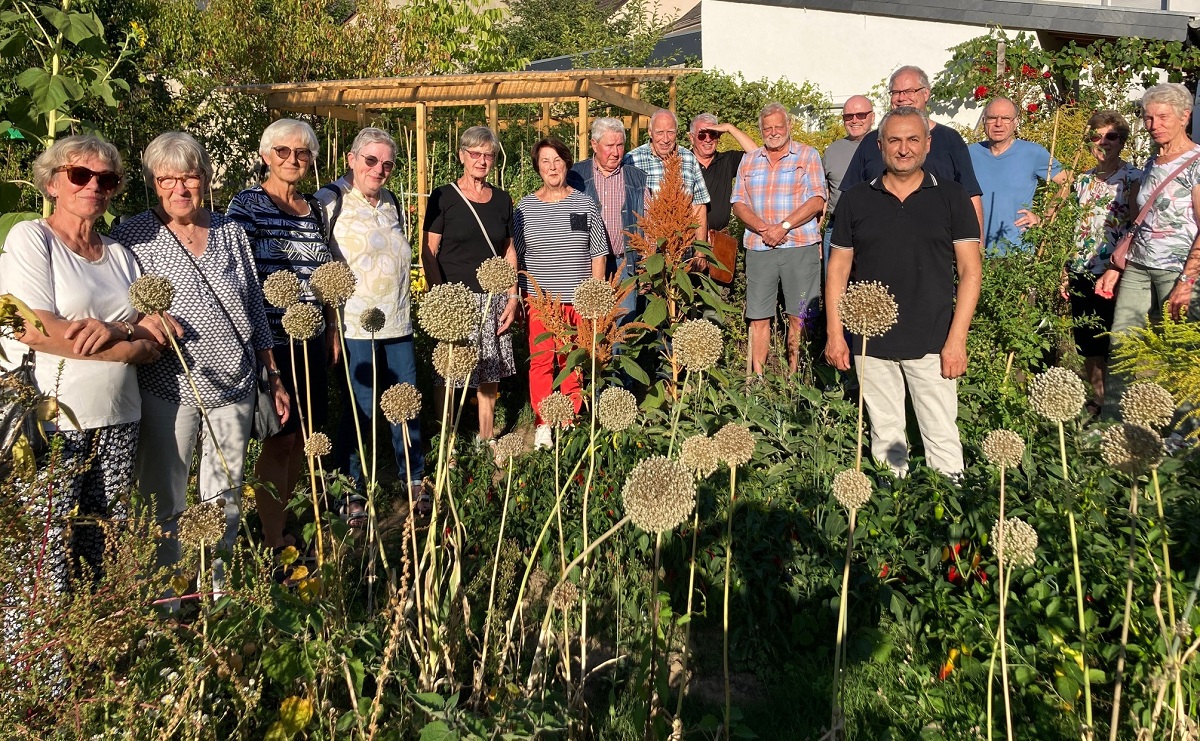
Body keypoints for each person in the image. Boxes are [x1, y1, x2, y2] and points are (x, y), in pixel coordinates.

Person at [0, 135, 165, 636]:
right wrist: (130, 343)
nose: (93, 186)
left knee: (99, 547)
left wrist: (116, 331)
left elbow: (156, 331)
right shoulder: (33, 239)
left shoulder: (119, 254)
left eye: (106, 179)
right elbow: (30, 326)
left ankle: (89, 660)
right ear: (52, 183)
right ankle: (35, 676)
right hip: (49, 419)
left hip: (117, 419)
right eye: (80, 175)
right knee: (40, 555)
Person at [113, 132, 288, 574]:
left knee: (225, 494)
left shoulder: (229, 231)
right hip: (167, 387)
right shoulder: (133, 233)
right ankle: (167, 598)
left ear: (206, 179)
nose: (179, 189)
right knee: (163, 495)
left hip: (235, 384)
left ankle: (218, 592)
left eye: (189, 177)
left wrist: (273, 374)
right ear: (153, 182)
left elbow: (253, 305)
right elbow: (119, 306)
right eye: (166, 179)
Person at [824, 106, 983, 477]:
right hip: (870, 344)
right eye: (894, 140)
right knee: (885, 438)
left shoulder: (952, 197)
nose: (903, 148)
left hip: (933, 342)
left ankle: (950, 525)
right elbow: (837, 271)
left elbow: (971, 271)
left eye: (913, 139)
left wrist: (957, 340)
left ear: (928, 144)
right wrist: (836, 334)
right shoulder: (856, 200)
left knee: (942, 437)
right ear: (879, 146)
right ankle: (893, 515)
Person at [228, 119, 338, 549]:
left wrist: (330, 325)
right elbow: (241, 277)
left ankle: (285, 519)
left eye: (303, 153)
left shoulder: (314, 210)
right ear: (265, 156)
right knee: (281, 437)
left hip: (310, 337)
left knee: (302, 438)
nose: (293, 160)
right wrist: (261, 351)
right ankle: (272, 538)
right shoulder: (247, 206)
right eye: (283, 152)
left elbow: (324, 273)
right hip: (272, 342)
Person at [315, 127, 425, 508]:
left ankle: (414, 477)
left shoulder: (391, 201)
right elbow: (320, 266)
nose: (379, 169)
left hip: (398, 320)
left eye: (387, 164)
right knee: (359, 406)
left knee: (406, 401)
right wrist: (329, 324)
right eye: (371, 160)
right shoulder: (329, 202)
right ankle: (351, 490)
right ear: (351, 158)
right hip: (353, 324)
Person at [1096, 83, 1200, 419]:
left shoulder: (1196, 163)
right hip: (1138, 267)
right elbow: (1140, 220)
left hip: (1177, 270)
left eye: (1162, 117)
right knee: (1123, 346)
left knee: (1180, 352)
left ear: (1185, 116)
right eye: (1148, 117)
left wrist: (1187, 281)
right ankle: (1113, 425)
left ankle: (1183, 438)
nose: (1154, 124)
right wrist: (1117, 265)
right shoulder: (1152, 163)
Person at [422, 126, 519, 444]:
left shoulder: (502, 200)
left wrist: (512, 295)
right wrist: (440, 298)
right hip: (454, 300)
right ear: (462, 155)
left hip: (492, 300)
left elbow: (508, 249)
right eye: (475, 153)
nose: (481, 160)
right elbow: (428, 250)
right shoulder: (444, 196)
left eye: (488, 155)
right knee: (448, 373)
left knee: (489, 374)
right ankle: (445, 441)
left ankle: (486, 439)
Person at [515, 137, 607, 449]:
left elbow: (598, 253)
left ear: (566, 163)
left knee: (572, 360)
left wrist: (595, 299)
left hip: (578, 300)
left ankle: (569, 419)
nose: (552, 167)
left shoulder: (584, 203)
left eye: (557, 160)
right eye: (545, 162)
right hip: (540, 301)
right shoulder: (525, 208)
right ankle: (543, 423)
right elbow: (516, 254)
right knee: (542, 361)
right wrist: (516, 296)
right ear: (537, 168)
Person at [731, 102, 827, 375]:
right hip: (760, 249)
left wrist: (783, 226)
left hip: (799, 246)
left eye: (778, 126)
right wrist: (763, 228)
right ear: (761, 130)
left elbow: (817, 199)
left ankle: (797, 379)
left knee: (800, 315)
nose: (773, 132)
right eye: (767, 127)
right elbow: (738, 202)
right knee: (758, 316)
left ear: (789, 127)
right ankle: (757, 382)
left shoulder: (808, 156)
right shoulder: (749, 160)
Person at [841, 66, 984, 234]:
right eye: (896, 92)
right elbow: (850, 196)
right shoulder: (872, 141)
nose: (902, 98)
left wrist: (977, 247)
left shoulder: (950, 140)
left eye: (909, 91)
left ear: (926, 94)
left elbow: (970, 195)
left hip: (938, 245)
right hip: (879, 243)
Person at [1067, 110, 1138, 413]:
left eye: (1111, 136)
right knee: (1089, 342)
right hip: (1081, 268)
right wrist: (1064, 271)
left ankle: (1123, 405)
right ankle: (1099, 402)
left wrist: (1118, 267)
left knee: (1116, 340)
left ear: (1122, 140)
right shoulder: (1082, 180)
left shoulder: (1133, 177)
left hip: (1113, 271)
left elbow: (1136, 224)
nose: (1102, 142)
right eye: (1096, 136)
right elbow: (1072, 225)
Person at [567, 117, 648, 321]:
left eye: (620, 145)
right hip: (587, 265)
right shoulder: (576, 175)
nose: (616, 152)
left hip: (625, 264)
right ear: (594, 145)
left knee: (623, 326)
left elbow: (649, 222)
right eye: (609, 145)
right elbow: (572, 218)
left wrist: (647, 260)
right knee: (590, 326)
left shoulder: (636, 178)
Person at [969, 97, 1068, 254]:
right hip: (975, 250)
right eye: (992, 118)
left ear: (1016, 122)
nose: (998, 124)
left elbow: (1067, 182)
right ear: (983, 121)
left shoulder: (1032, 153)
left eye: (1006, 118)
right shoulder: (969, 153)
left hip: (1016, 251)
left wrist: (1043, 217)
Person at [625, 109, 711, 248]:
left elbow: (699, 206)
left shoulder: (688, 158)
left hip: (681, 247)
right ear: (650, 132)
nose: (665, 139)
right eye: (659, 132)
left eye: (670, 132)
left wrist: (700, 251)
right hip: (646, 247)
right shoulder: (632, 159)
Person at [822, 96, 875, 265]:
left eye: (861, 115)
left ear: (872, 117)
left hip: (874, 229)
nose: (854, 120)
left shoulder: (886, 146)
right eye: (848, 116)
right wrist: (816, 232)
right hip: (836, 228)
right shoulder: (832, 151)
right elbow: (824, 194)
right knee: (835, 286)